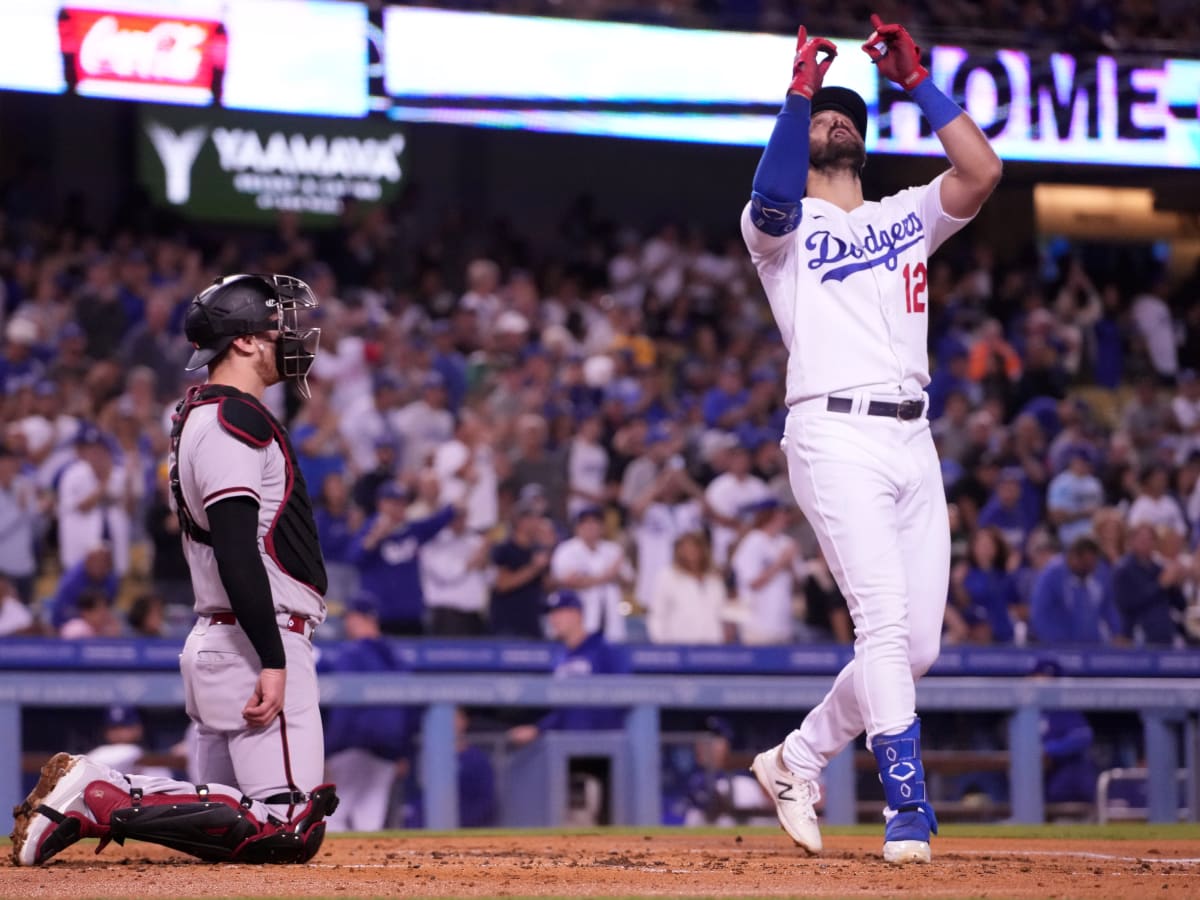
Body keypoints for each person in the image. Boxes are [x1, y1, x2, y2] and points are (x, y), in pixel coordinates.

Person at [741, 14, 1002, 863]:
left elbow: (983, 169)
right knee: (883, 623)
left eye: (846, 114)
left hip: (911, 438)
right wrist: (797, 93)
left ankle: (799, 756)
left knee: (917, 645)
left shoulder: (907, 215)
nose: (835, 122)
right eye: (823, 118)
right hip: (832, 431)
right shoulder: (776, 235)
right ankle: (906, 806)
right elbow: (774, 193)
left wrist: (918, 83)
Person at [11, 273, 338, 866]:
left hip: (227, 635)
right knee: (286, 826)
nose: (288, 336)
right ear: (241, 341)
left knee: (228, 823)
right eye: (274, 324)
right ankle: (99, 794)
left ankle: (99, 796)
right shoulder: (232, 419)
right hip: (251, 638)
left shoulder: (204, 416)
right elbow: (239, 548)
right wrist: (270, 656)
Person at [320, 593, 414, 833]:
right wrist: (403, 751)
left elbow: (342, 707)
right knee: (371, 814)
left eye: (350, 616)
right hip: (388, 748)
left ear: (362, 618)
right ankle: (371, 870)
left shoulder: (350, 654)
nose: (347, 622)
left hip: (352, 744)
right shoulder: (396, 657)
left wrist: (328, 750)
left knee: (336, 813)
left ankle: (333, 870)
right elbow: (410, 711)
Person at [349, 482, 455, 635]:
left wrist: (468, 489)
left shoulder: (412, 529)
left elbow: (441, 519)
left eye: (402, 503)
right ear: (381, 504)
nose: (398, 508)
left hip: (411, 613)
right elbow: (355, 559)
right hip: (381, 615)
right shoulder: (368, 529)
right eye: (394, 503)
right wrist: (377, 535)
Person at [549, 506, 632, 642]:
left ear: (603, 527)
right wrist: (607, 576)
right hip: (579, 626)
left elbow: (628, 582)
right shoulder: (567, 550)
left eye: (595, 522)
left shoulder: (613, 550)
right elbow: (569, 582)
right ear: (577, 527)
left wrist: (611, 576)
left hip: (611, 624)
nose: (591, 526)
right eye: (586, 522)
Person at [1029, 536, 1121, 644]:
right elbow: (1040, 613)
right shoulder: (1052, 575)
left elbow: (1109, 607)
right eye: (1085, 563)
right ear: (1073, 557)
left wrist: (1117, 633)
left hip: (1093, 646)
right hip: (1060, 646)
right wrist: (1057, 643)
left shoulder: (1101, 573)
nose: (1090, 567)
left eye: (1093, 562)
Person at [646, 531, 730, 644]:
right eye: (685, 548)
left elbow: (722, 611)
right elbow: (657, 614)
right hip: (679, 645)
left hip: (712, 645)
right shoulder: (667, 577)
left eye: (694, 547)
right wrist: (661, 645)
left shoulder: (714, 578)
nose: (690, 551)